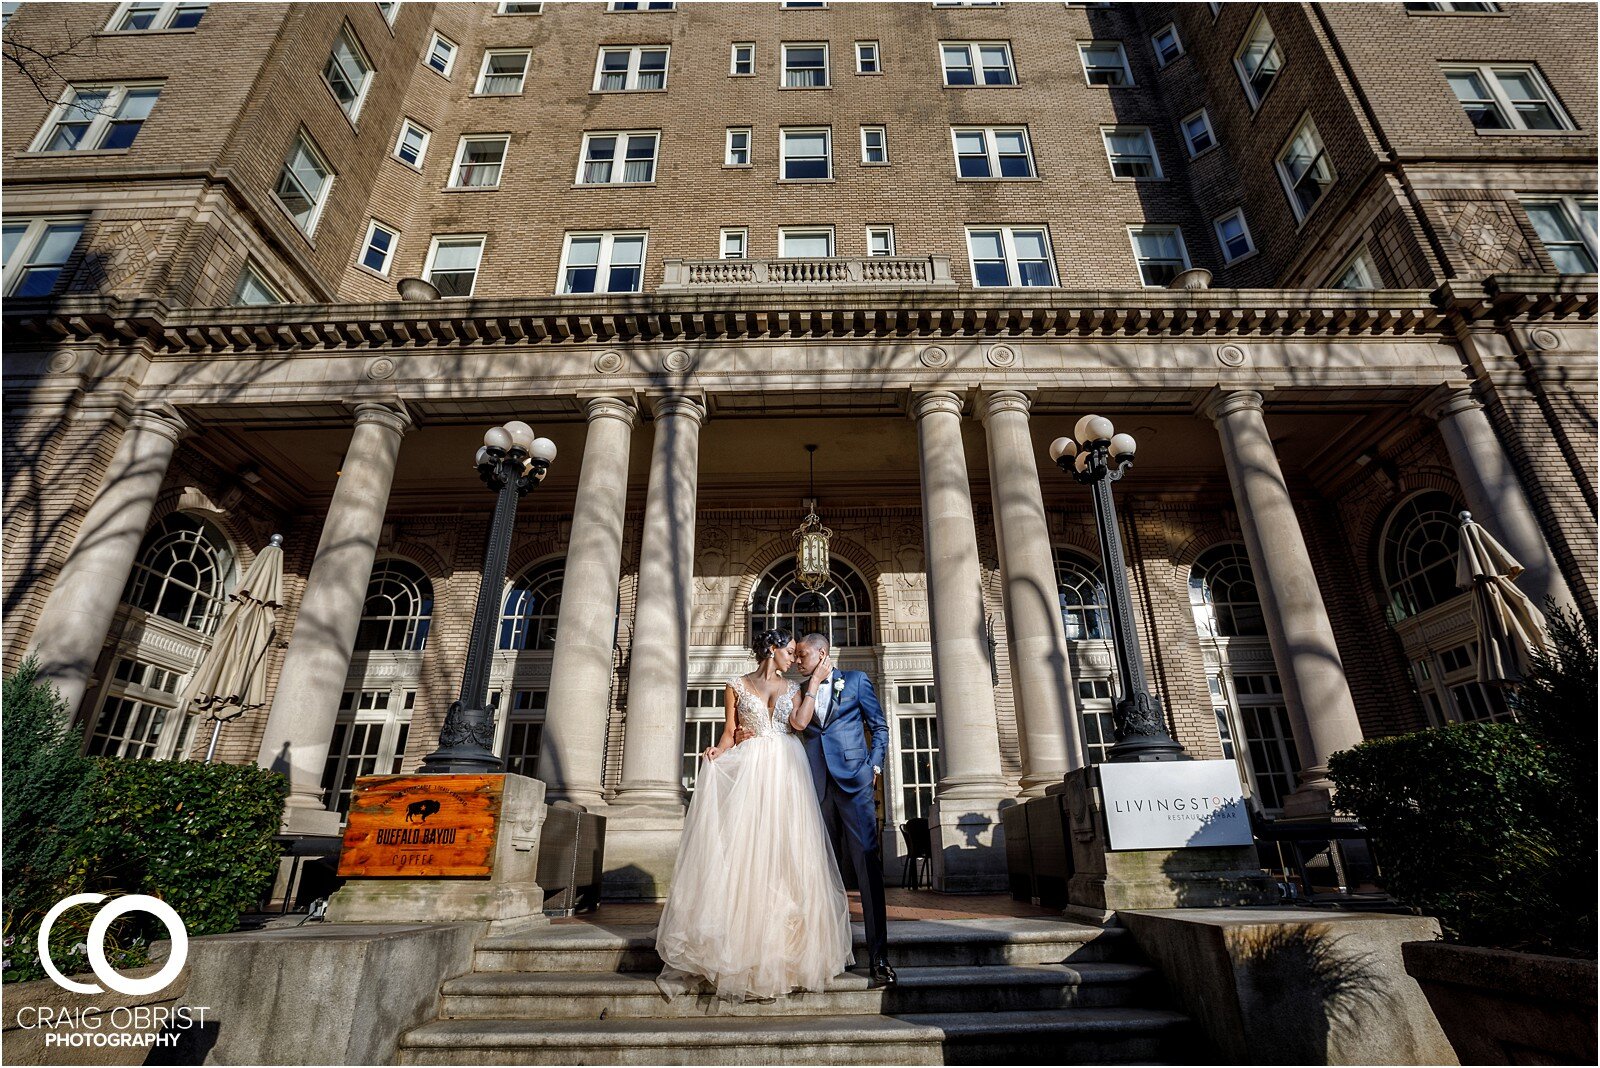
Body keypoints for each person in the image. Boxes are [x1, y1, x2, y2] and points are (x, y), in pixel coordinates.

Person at [654, 628, 853, 1001]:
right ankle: (740, 945)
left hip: (786, 770)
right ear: (772, 649)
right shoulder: (735, 685)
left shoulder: (794, 688)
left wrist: (812, 684)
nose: (794, 658)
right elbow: (731, 732)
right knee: (746, 852)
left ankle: (786, 950)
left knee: (787, 849)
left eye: (797, 654)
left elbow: (798, 724)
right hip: (750, 768)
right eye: (790, 651)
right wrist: (717, 750)